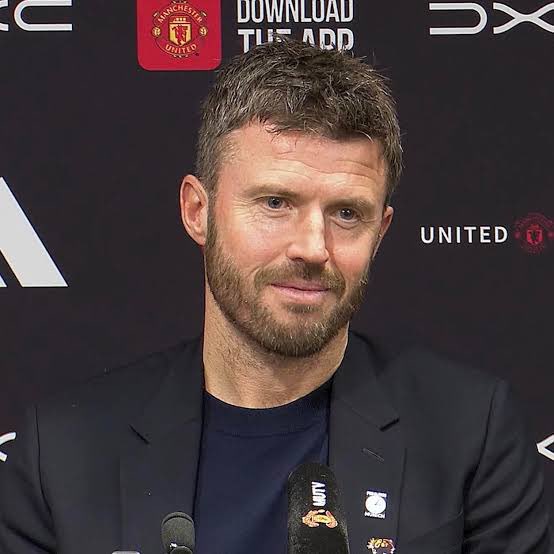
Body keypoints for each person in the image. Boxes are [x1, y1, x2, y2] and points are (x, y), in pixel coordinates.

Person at [0, 39, 550, 554]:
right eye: (275, 203)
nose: (313, 247)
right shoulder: (65, 453)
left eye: (346, 213)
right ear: (198, 211)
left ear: (381, 232)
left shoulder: (468, 433)